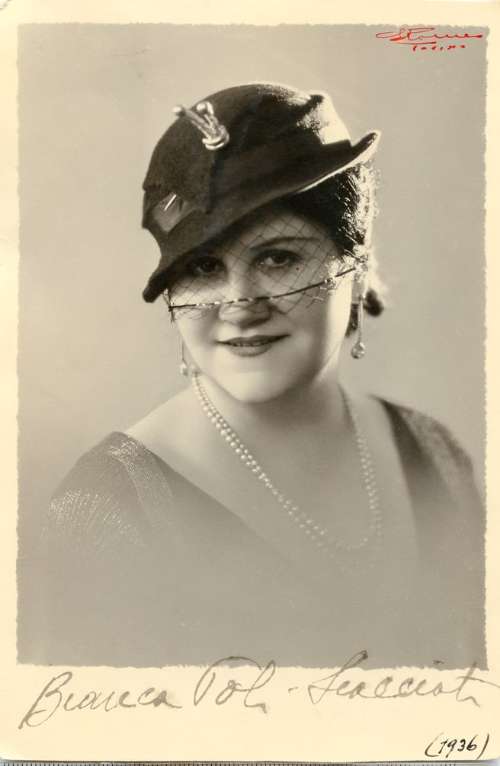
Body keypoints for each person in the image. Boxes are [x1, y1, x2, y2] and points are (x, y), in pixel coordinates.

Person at [25, 83, 485, 668]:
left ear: (355, 268)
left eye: (278, 258)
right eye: (203, 267)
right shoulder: (106, 510)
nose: (240, 305)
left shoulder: (436, 458)